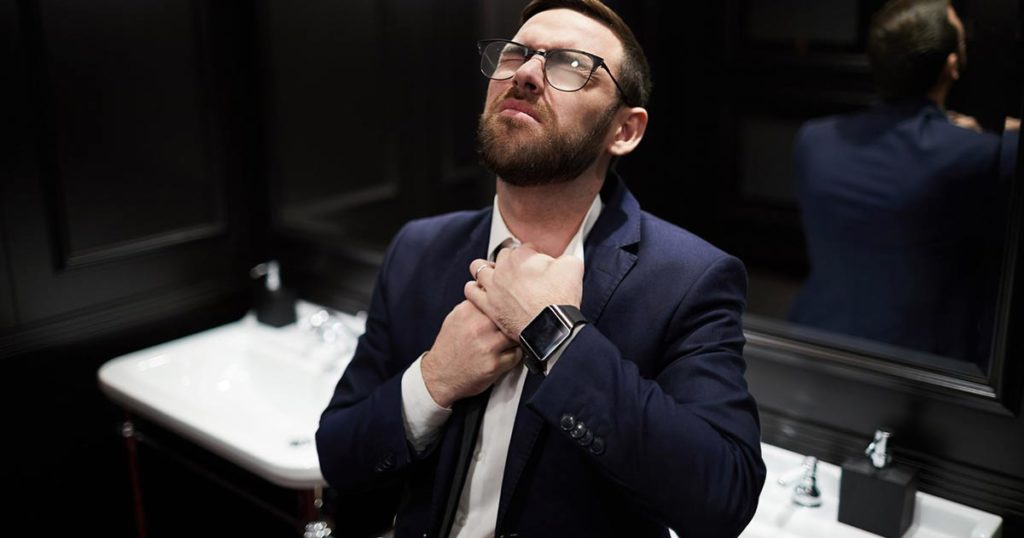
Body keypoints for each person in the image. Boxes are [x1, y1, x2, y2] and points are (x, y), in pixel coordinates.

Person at [316, 1, 765, 536]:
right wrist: (434, 380)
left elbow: (722, 499)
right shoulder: (419, 248)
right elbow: (338, 454)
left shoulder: (687, 279)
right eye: (515, 54)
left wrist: (556, 337)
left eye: (571, 65)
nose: (526, 73)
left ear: (624, 130)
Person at [789, 0, 1019, 365]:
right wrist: (998, 133)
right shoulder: (978, 156)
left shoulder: (813, 141)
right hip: (920, 367)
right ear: (952, 66)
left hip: (817, 342)